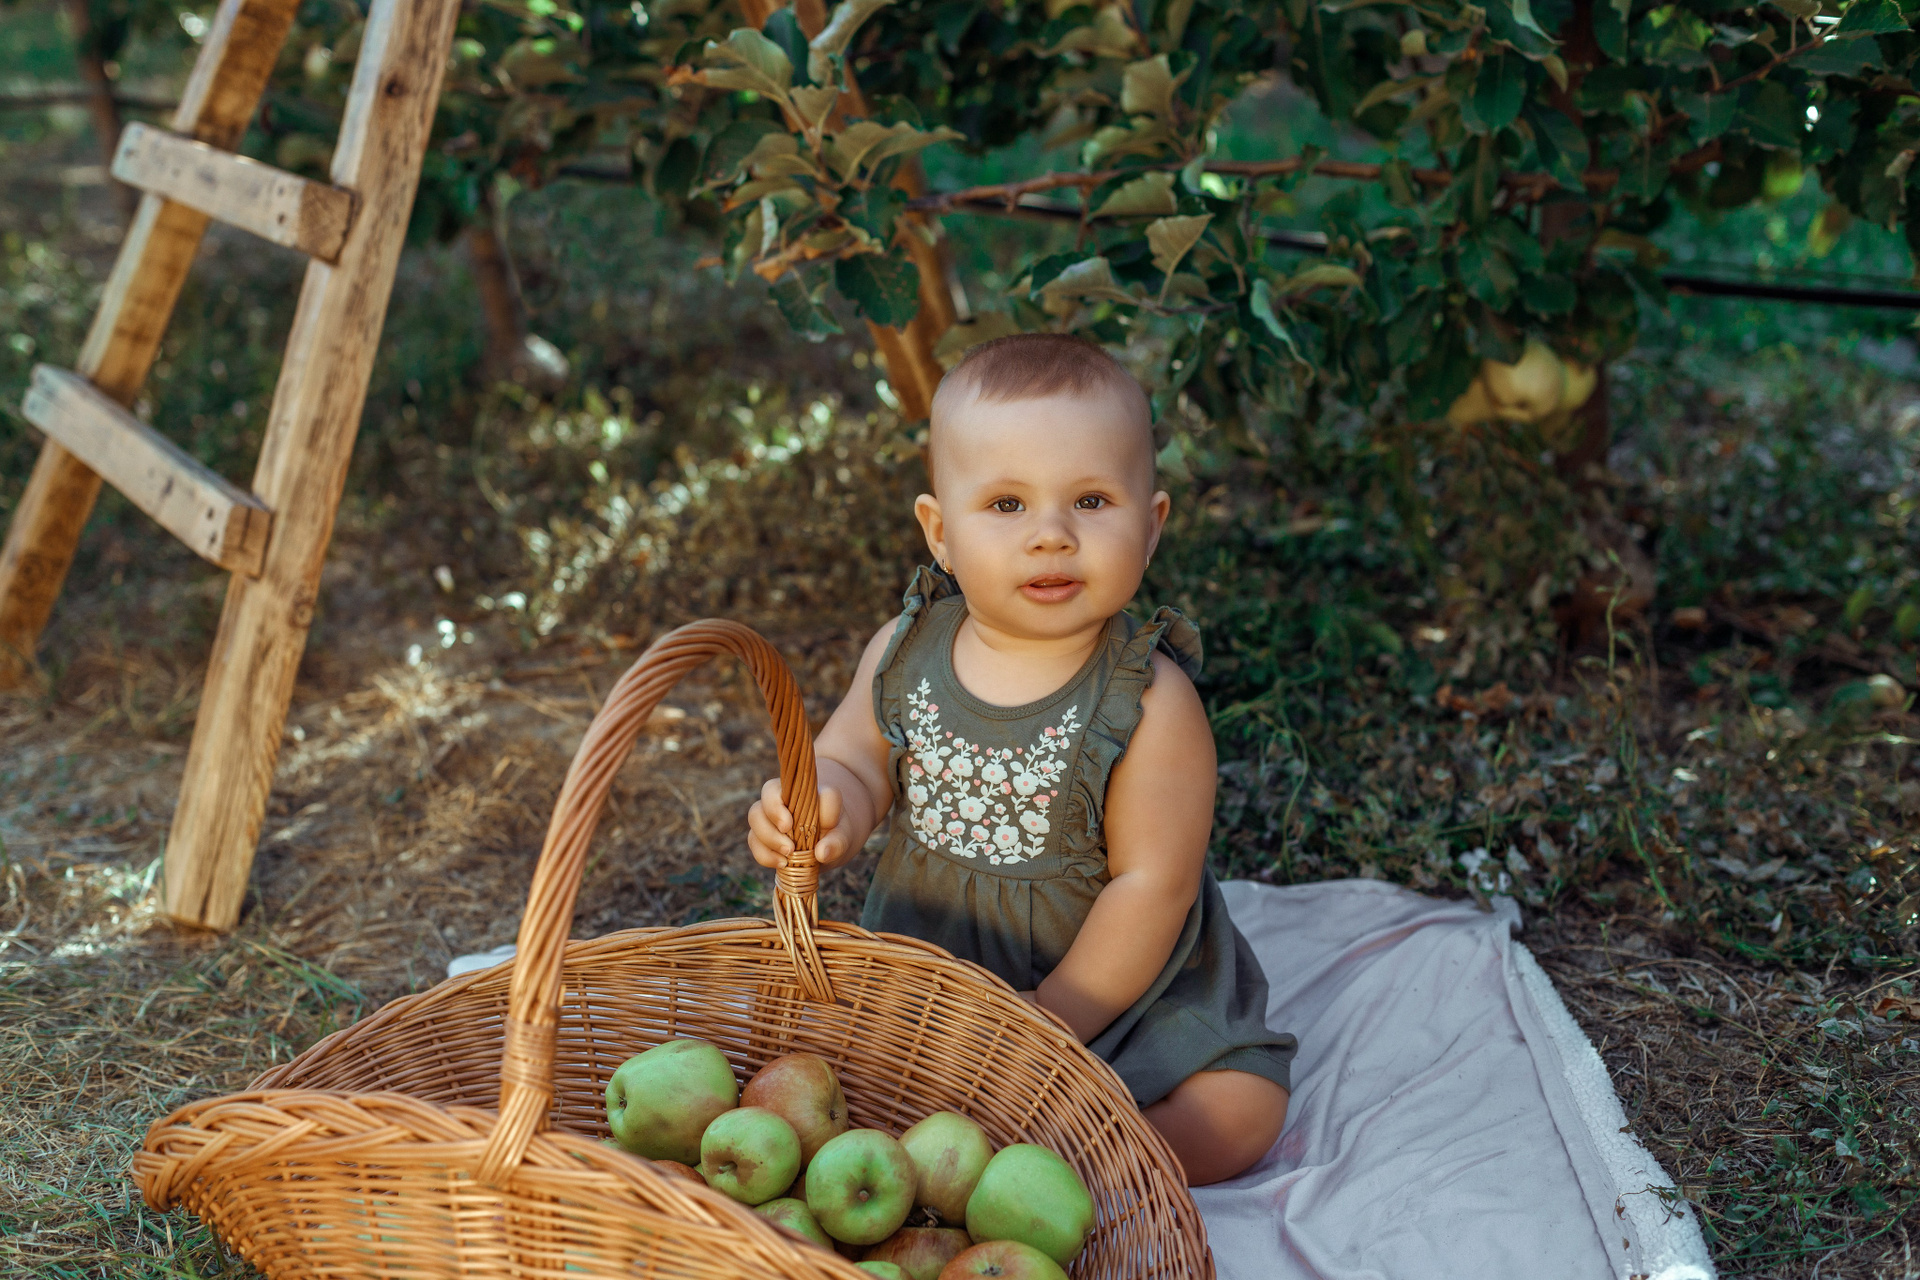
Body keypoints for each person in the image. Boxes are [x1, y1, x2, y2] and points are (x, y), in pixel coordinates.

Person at [747, 333, 1295, 1186]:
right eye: (1007, 504)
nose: (1050, 536)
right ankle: (984, 1141)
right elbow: (853, 758)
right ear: (940, 532)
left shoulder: (1150, 703)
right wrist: (825, 809)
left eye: (1091, 501)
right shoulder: (903, 651)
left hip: (1113, 994)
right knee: (821, 1063)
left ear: (1151, 527)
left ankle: (1081, 1150)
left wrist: (1053, 1021)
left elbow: (1152, 887)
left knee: (1238, 1113)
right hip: (939, 979)